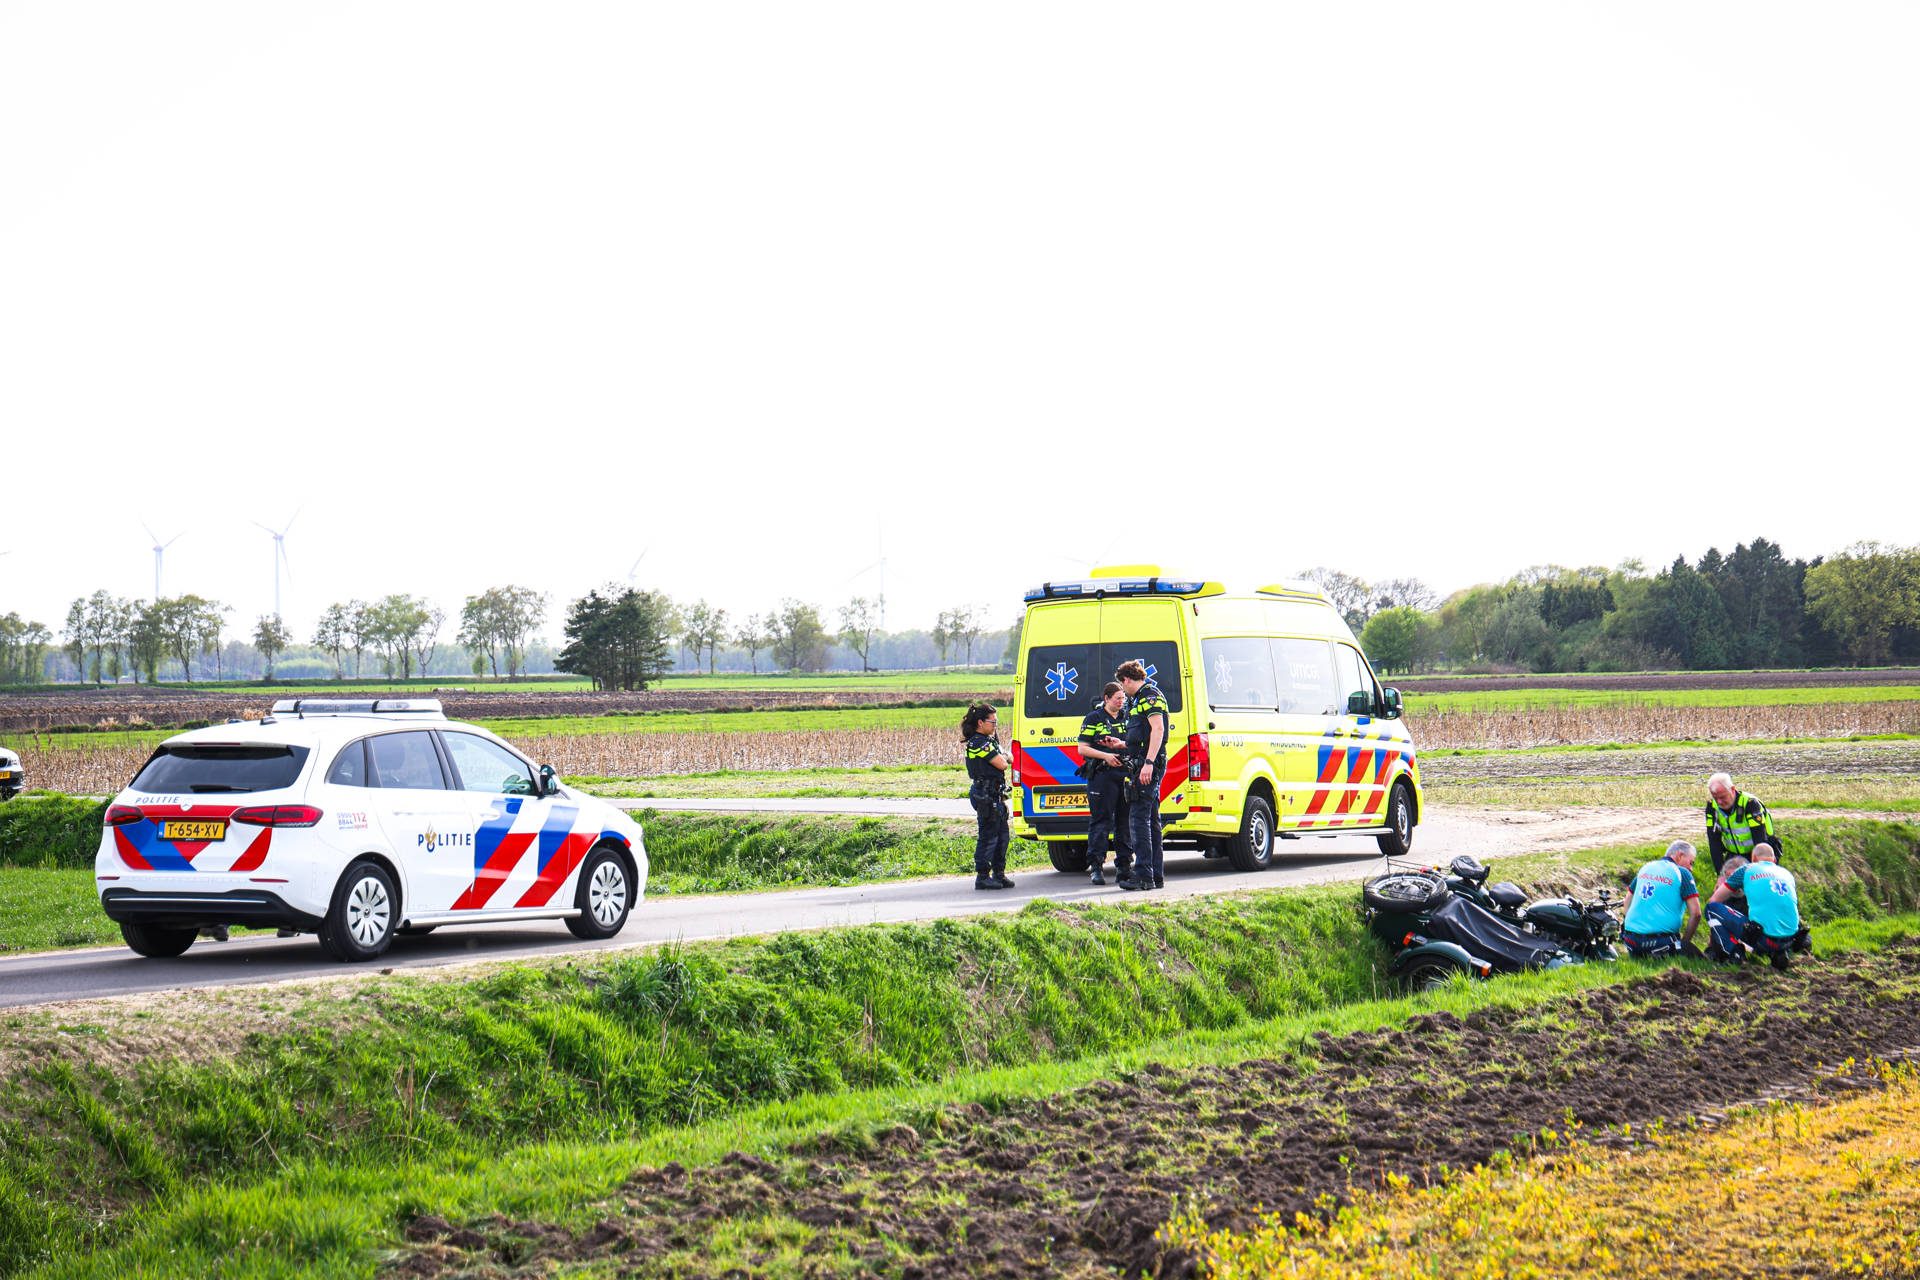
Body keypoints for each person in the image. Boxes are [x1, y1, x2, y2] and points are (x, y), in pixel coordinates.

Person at [1114, 659, 1169, 892]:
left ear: (1127, 679)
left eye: (1122, 685)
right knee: (1152, 822)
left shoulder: (1150, 696)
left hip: (1148, 765)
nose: (1122, 691)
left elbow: (1158, 730)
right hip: (1142, 762)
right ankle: (1155, 875)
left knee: (1139, 820)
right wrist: (1122, 744)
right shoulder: (1139, 699)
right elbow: (1141, 734)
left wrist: (1148, 762)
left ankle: (1143, 874)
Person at [1077, 682, 1134, 886]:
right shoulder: (1094, 718)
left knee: (1124, 822)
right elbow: (1082, 748)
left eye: (1123, 698)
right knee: (1101, 822)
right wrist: (1106, 756)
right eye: (1118, 698)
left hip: (1125, 774)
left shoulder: (1128, 717)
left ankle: (1124, 867)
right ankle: (1096, 867)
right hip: (1102, 776)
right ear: (1107, 698)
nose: (1121, 701)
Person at [1716, 843, 1808, 970]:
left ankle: (1734, 953)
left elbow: (1714, 901)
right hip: (1789, 935)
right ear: (1774, 860)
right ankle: (1780, 952)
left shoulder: (1747, 872)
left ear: (1753, 860)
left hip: (1762, 937)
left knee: (1714, 910)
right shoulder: (1786, 874)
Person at [962, 703, 1015, 891]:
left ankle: (999, 875)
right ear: (980, 722)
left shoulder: (989, 740)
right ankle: (982, 876)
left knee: (1002, 836)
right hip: (984, 794)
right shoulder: (978, 742)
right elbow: (1003, 763)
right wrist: (1004, 755)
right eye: (992, 721)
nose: (995, 725)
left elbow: (1011, 757)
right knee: (988, 836)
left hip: (995, 794)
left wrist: (1005, 755)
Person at [1621, 840, 1703, 958]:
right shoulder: (1682, 872)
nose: (1691, 868)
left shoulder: (1646, 867)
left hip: (1631, 943)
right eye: (1691, 862)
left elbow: (1627, 899)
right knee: (1700, 959)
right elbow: (1696, 914)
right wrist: (1685, 943)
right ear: (1680, 855)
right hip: (1660, 944)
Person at [1705, 773, 1781, 874]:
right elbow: (1714, 842)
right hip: (1735, 855)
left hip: (1762, 851)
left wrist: (1757, 871)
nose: (1719, 802)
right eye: (1715, 798)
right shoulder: (1712, 807)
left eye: (1723, 797)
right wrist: (1721, 874)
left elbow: (1759, 840)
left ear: (1732, 789)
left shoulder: (1750, 804)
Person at [1701, 855, 1750, 962]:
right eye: (1729, 878)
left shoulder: (1752, 896)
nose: (1734, 883)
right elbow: (1714, 924)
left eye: (1735, 877)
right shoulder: (1724, 896)